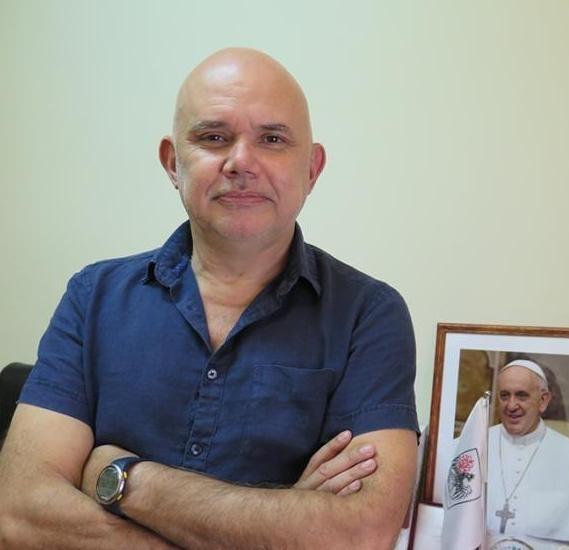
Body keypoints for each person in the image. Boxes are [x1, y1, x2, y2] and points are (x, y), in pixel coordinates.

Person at [0, 48, 418, 549]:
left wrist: (124, 479)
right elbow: (19, 514)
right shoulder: (93, 298)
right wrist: (278, 526)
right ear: (172, 163)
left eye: (272, 139)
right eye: (214, 138)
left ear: (312, 168)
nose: (241, 162)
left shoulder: (369, 316)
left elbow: (357, 534)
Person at [486, 360, 569, 550]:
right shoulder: (473, 447)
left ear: (543, 401)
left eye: (521, 395)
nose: (511, 405)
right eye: (504, 395)